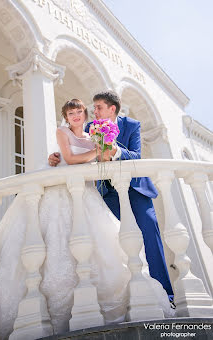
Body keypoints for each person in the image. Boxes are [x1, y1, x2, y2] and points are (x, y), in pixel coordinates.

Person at [0, 99, 173, 340]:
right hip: (63, 193)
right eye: (71, 113)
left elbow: (107, 160)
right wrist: (87, 152)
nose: (77, 115)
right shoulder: (64, 132)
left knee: (100, 244)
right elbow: (70, 156)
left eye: (81, 112)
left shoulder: (93, 135)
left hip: (89, 194)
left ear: (89, 114)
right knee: (53, 238)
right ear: (66, 116)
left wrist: (103, 149)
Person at [49, 91, 174, 303]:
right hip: (108, 193)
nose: (93, 112)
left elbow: (136, 155)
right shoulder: (89, 128)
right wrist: (56, 156)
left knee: (150, 235)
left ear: (111, 109)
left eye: (98, 107)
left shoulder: (132, 125)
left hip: (136, 189)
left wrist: (114, 150)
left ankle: (166, 294)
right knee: (115, 241)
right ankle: (132, 293)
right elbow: (74, 145)